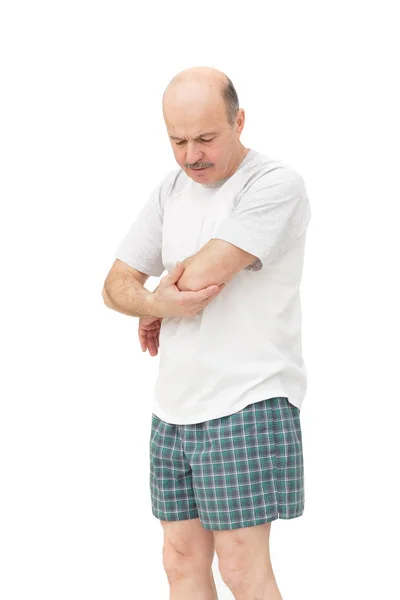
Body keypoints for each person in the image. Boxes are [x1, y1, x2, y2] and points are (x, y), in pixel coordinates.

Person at [103, 65, 311, 600]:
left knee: (242, 568)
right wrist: (154, 302)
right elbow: (114, 285)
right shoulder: (171, 188)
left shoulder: (274, 184)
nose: (191, 155)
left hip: (248, 401)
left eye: (205, 138)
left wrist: (155, 303)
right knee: (179, 563)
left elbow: (206, 272)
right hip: (174, 407)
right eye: (177, 141)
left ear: (239, 121)